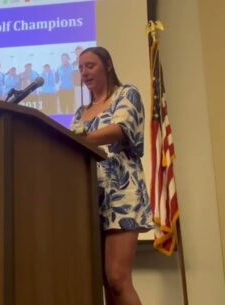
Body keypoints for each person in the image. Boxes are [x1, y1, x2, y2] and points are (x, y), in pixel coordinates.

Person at [70, 46, 154, 305]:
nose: (84, 72)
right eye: (81, 67)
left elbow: (119, 129)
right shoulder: (80, 113)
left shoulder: (126, 94)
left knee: (118, 278)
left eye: (90, 66)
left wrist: (79, 138)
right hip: (90, 199)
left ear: (107, 65)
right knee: (105, 281)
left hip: (122, 194)